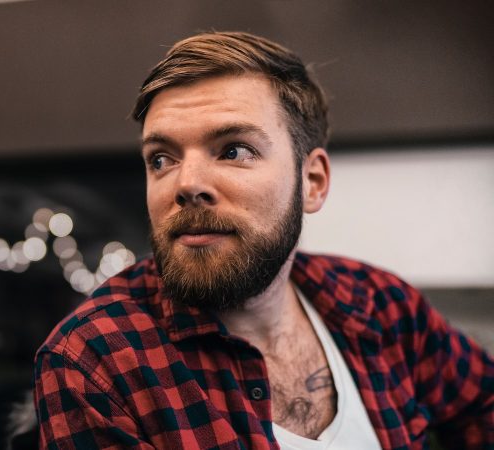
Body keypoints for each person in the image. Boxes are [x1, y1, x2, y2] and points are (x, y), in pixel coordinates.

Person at [33, 31, 493, 449]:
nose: (185, 183)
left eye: (234, 150)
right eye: (161, 159)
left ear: (311, 182)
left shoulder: (378, 305)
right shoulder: (94, 363)